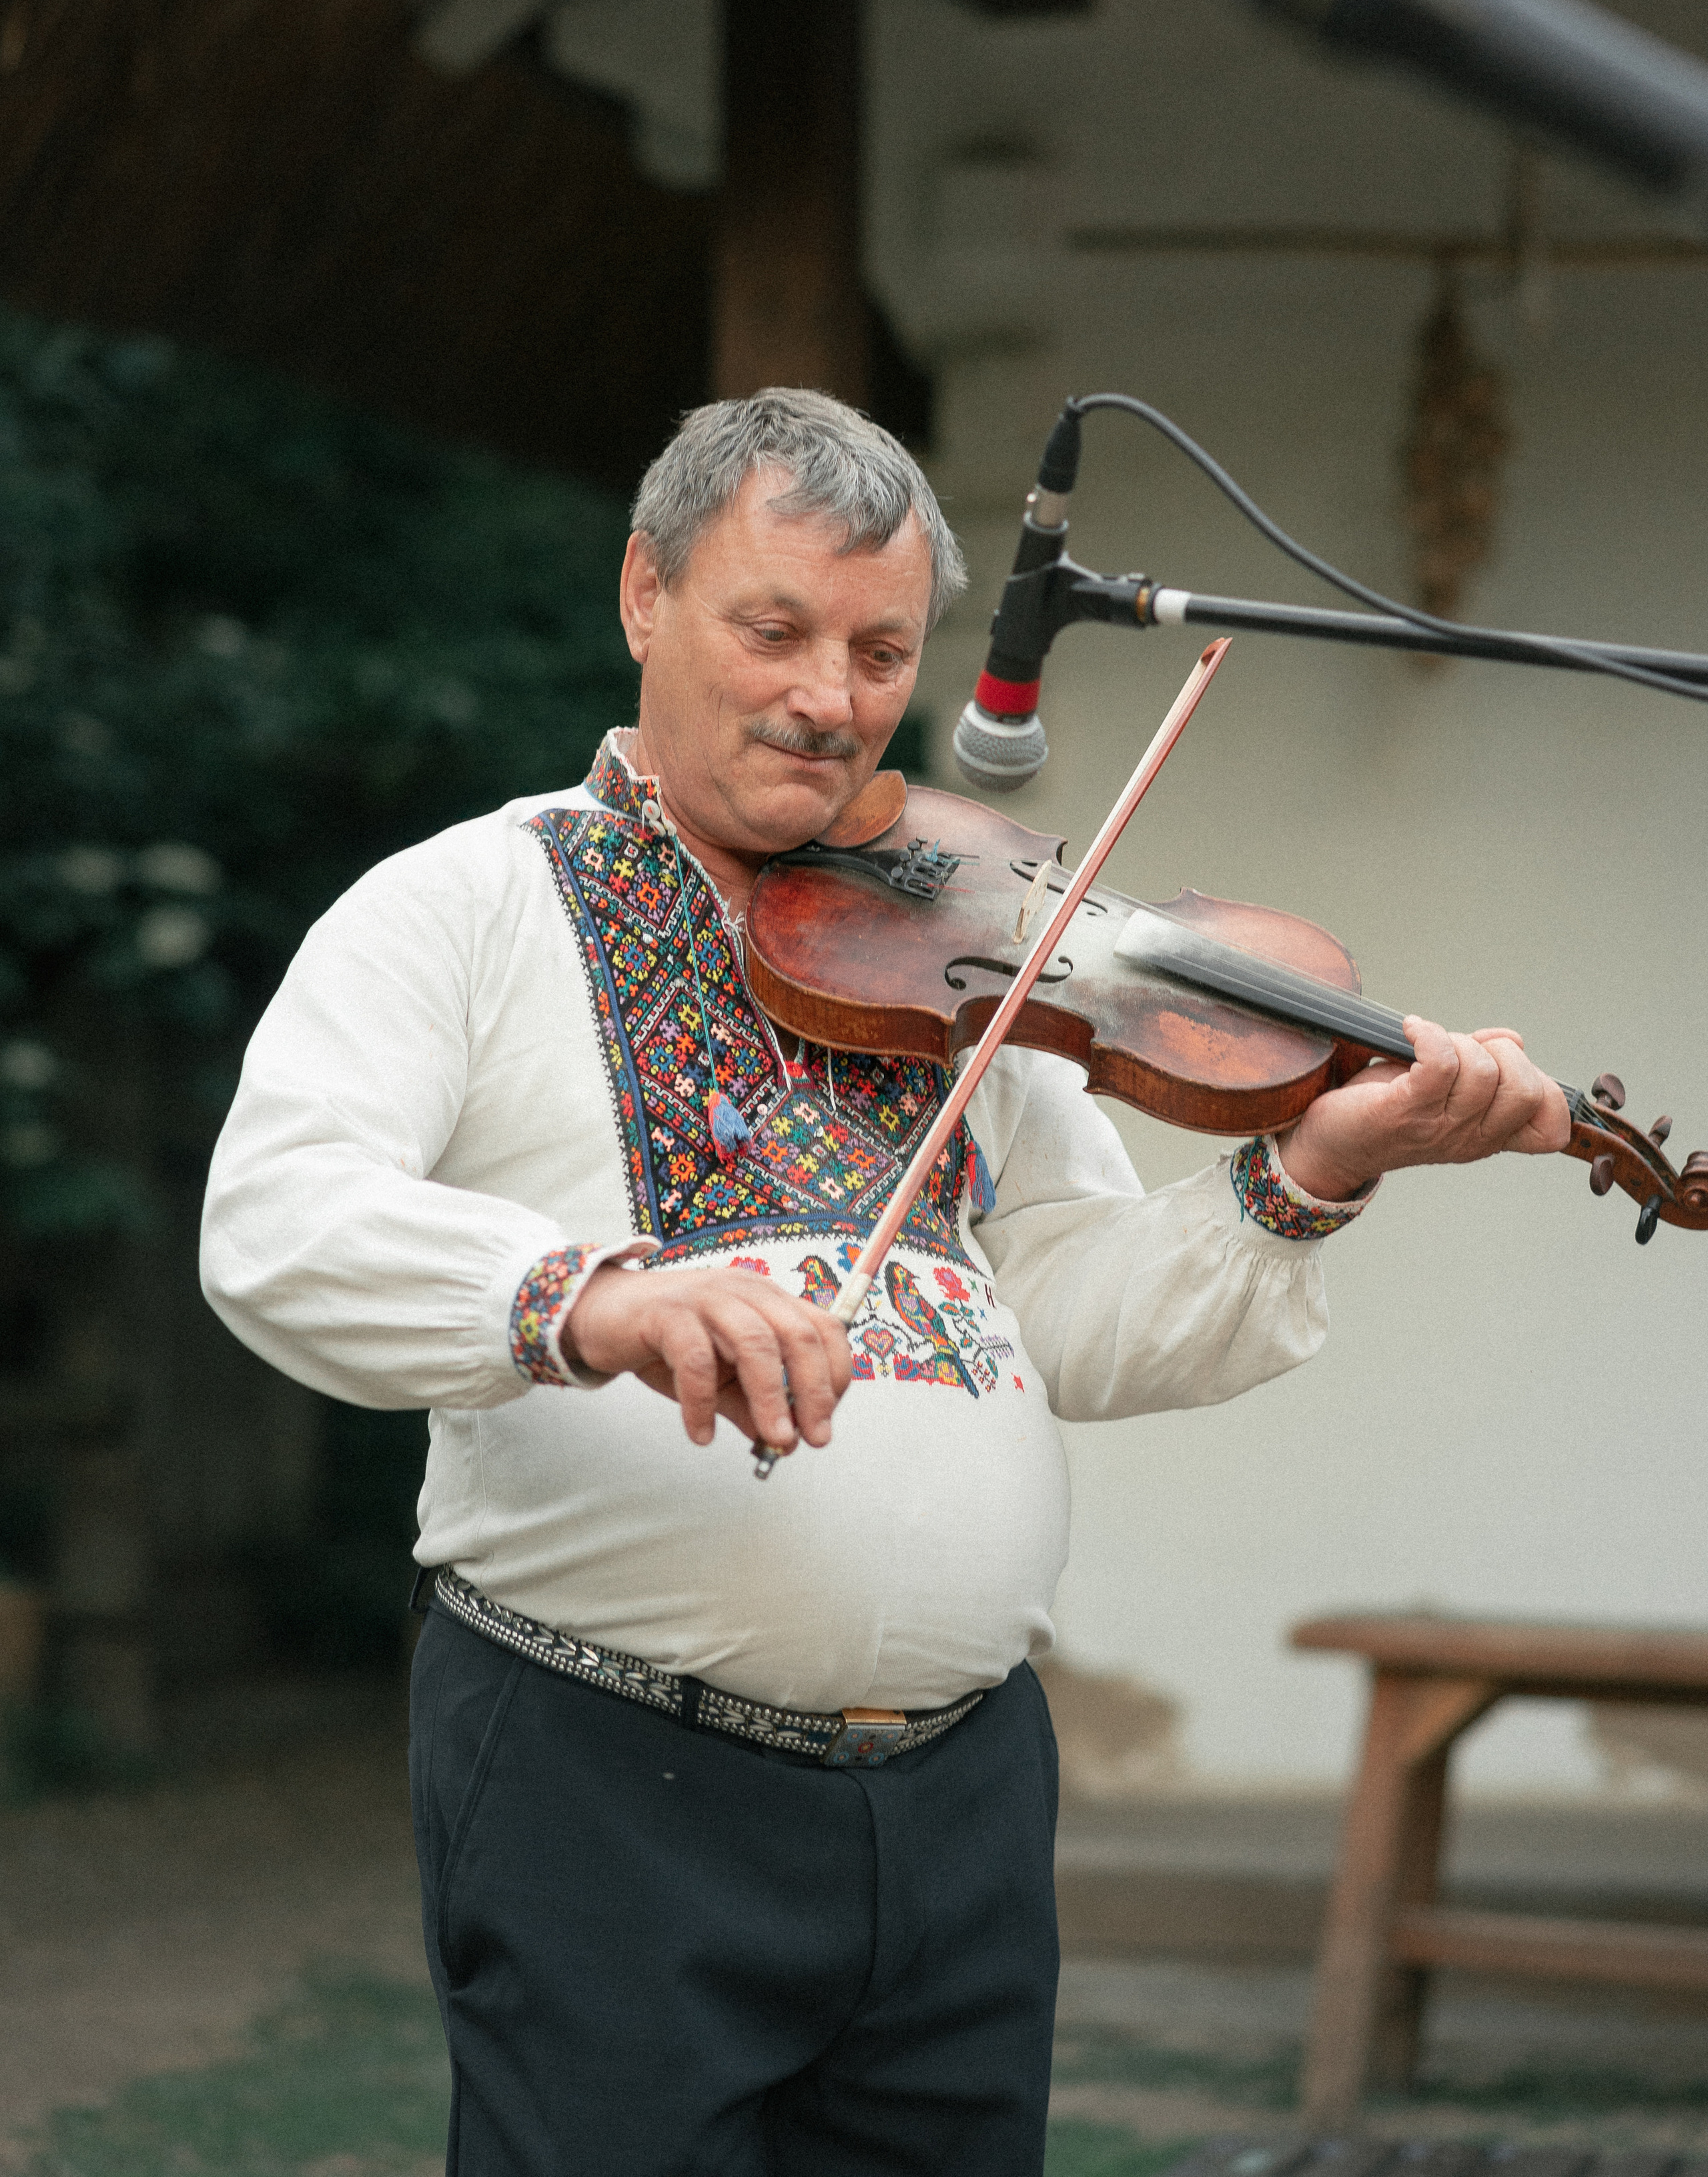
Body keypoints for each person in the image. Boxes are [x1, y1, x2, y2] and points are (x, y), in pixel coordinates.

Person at [201, 388, 1566, 2177]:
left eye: (878, 649)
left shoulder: (966, 947)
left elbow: (1069, 1312)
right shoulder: (462, 906)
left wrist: (1316, 1166)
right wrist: (592, 1299)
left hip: (962, 1798)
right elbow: (279, 1221)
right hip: (607, 1774)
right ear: (644, 595)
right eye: (773, 627)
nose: (828, 698)